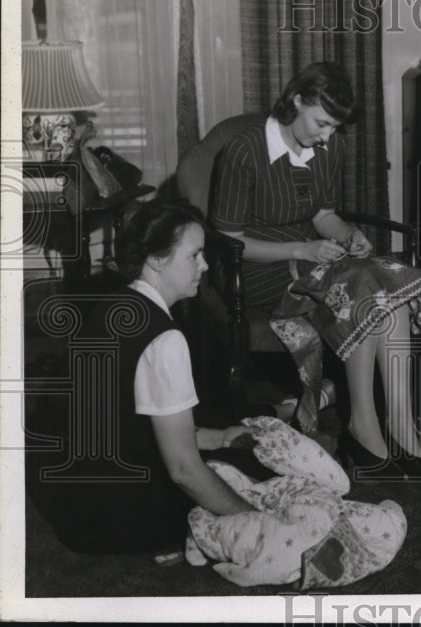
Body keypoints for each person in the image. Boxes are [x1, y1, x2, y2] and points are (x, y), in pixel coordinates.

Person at [210, 61, 421, 478]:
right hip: (255, 268)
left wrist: (349, 235)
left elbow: (324, 215)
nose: (327, 135)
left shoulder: (330, 146)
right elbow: (229, 239)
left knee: (387, 289)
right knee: (363, 289)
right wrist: (302, 248)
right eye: (321, 123)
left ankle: (402, 431)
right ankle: (364, 430)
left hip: (313, 256)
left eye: (334, 127)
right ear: (297, 100)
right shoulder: (244, 148)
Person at [26, 200, 256, 554]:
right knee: (250, 484)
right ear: (156, 259)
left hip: (60, 491)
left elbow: (119, 419)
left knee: (231, 439)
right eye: (194, 256)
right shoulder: (165, 338)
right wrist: (253, 517)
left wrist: (218, 436)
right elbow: (182, 470)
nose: (205, 265)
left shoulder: (116, 303)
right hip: (103, 517)